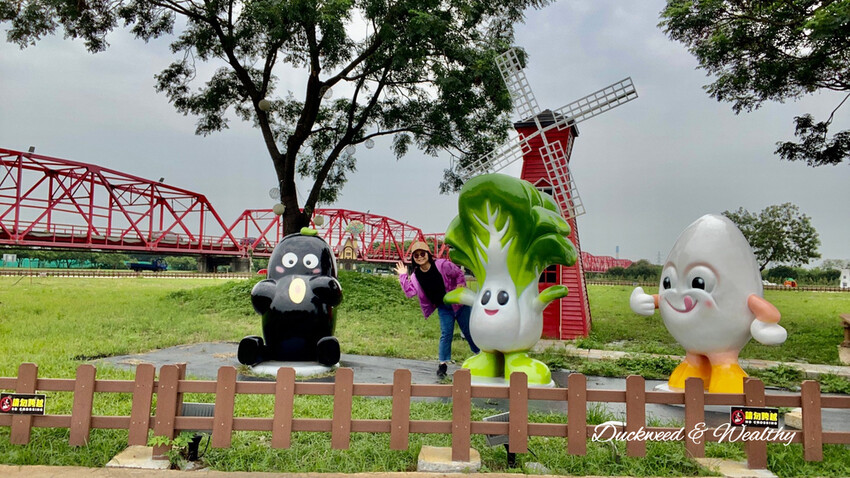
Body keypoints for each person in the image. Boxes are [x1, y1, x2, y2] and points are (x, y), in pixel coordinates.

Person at [395, 241, 479, 378]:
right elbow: (410, 293)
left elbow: (458, 273)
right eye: (416, 255)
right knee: (446, 334)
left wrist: (460, 285)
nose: (420, 257)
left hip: (459, 304)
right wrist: (403, 275)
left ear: (428, 254)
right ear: (413, 258)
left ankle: (479, 355)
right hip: (443, 307)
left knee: (468, 331)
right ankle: (442, 364)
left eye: (422, 254)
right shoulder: (416, 276)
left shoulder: (442, 265)